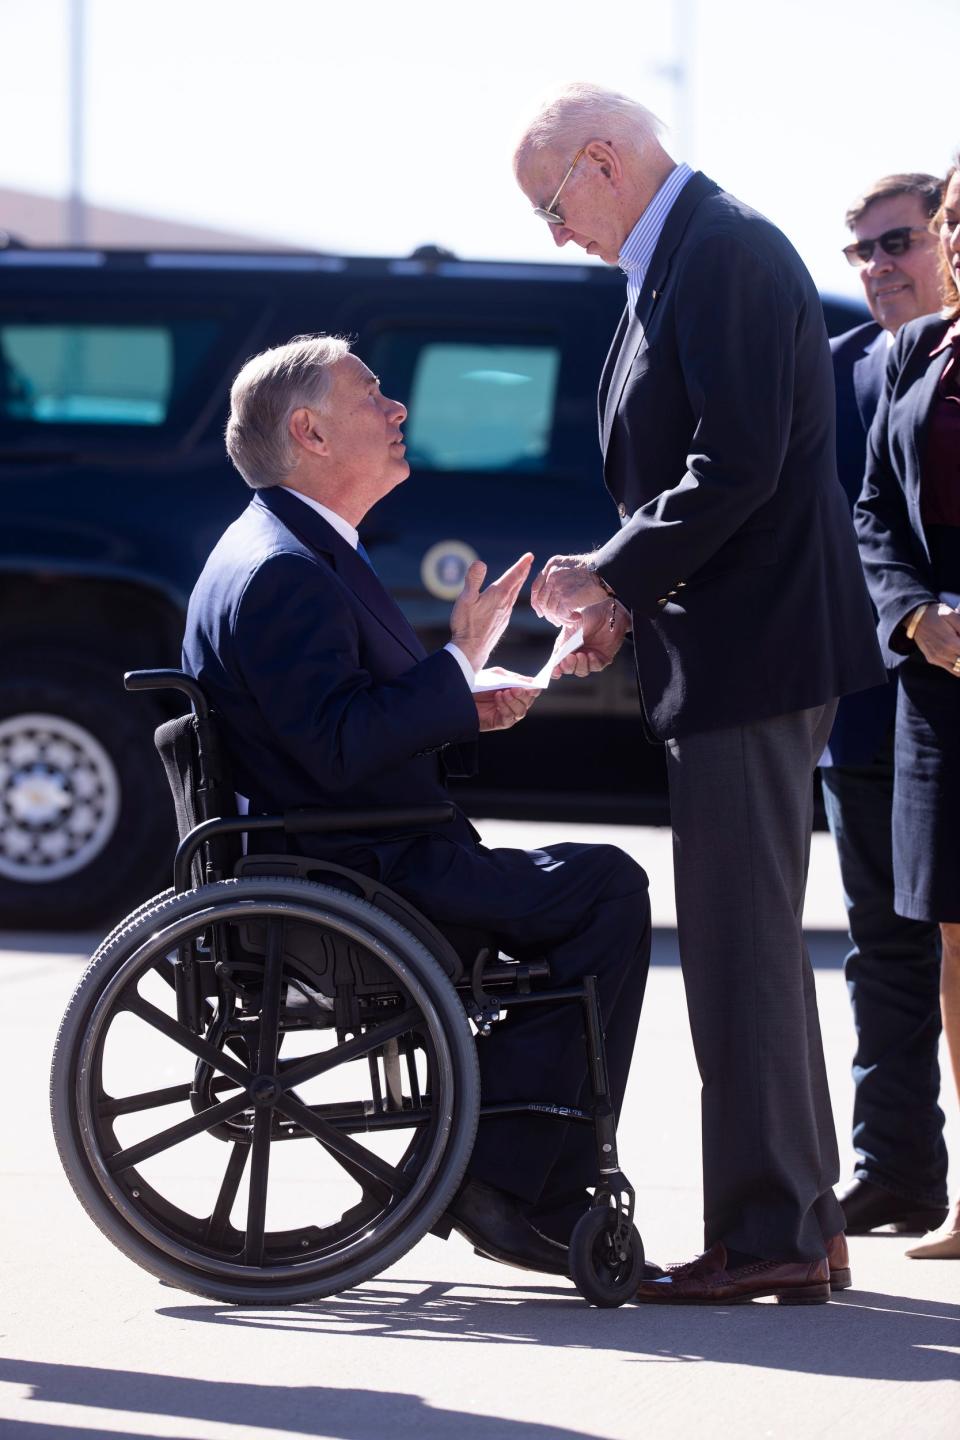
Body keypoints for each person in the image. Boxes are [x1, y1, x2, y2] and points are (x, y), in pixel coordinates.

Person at [513, 82, 886, 1305]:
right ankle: (804, 1221)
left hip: (754, 654)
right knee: (750, 951)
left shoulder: (718, 249)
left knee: (738, 955)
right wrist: (625, 597)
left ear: (605, 161)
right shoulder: (682, 257)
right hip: (734, 648)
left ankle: (770, 1231)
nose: (556, 233)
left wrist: (607, 574)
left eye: (552, 203)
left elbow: (736, 465)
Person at [182, 333, 652, 1277]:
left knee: (592, 886)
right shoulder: (284, 568)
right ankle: (504, 1176)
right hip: (360, 872)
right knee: (607, 889)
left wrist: (462, 684)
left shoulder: (296, 547)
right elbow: (340, 745)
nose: (397, 410)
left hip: (352, 851)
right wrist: (451, 669)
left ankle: (515, 1167)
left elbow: (330, 726)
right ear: (309, 432)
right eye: (373, 398)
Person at [824, 173, 948, 1239]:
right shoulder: (834, 373)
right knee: (884, 950)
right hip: (863, 710)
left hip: (946, 708)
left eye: (899, 240)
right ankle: (898, 1168)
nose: (878, 265)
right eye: (860, 250)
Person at [855, 156, 960, 1262]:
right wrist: (914, 617)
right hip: (936, 688)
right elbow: (874, 507)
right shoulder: (917, 354)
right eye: (957, 221)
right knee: (949, 943)